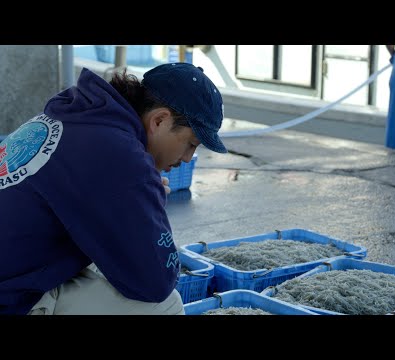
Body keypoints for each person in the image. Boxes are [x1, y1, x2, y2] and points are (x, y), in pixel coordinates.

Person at [0, 62, 228, 315]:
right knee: (165, 306)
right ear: (160, 120)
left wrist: (137, 198)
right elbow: (156, 282)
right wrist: (147, 201)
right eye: (191, 144)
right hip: (9, 296)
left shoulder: (79, 115)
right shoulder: (121, 156)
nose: (187, 158)